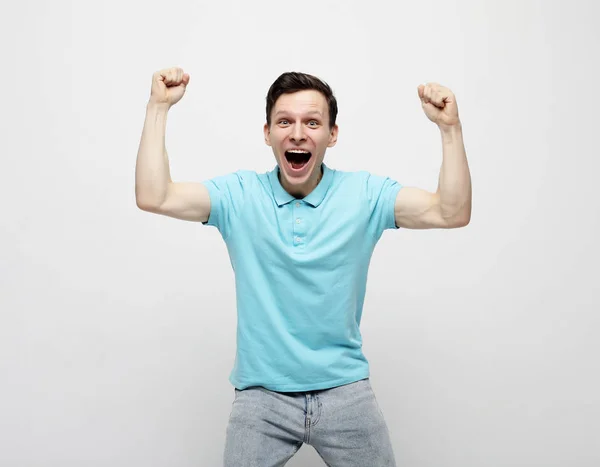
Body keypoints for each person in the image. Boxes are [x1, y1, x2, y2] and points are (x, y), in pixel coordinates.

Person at [135, 67, 472, 466]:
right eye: (285, 122)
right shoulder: (239, 196)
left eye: (312, 122)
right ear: (267, 133)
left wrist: (450, 129)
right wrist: (158, 107)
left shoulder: (364, 195)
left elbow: (452, 212)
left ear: (332, 134)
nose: (297, 133)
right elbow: (153, 196)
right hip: (261, 397)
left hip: (345, 390)